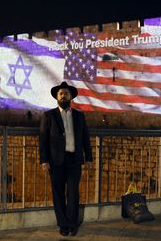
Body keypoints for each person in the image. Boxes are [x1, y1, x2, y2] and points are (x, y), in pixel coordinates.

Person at [39, 81, 93, 236]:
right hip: (56, 161)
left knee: (73, 193)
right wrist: (44, 160)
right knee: (58, 194)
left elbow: (85, 138)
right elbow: (43, 140)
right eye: (61, 93)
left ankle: (72, 224)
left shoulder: (79, 116)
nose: (64, 95)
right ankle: (62, 225)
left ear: (71, 97)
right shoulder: (48, 116)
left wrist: (88, 158)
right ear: (57, 97)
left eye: (66, 93)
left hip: (74, 160)